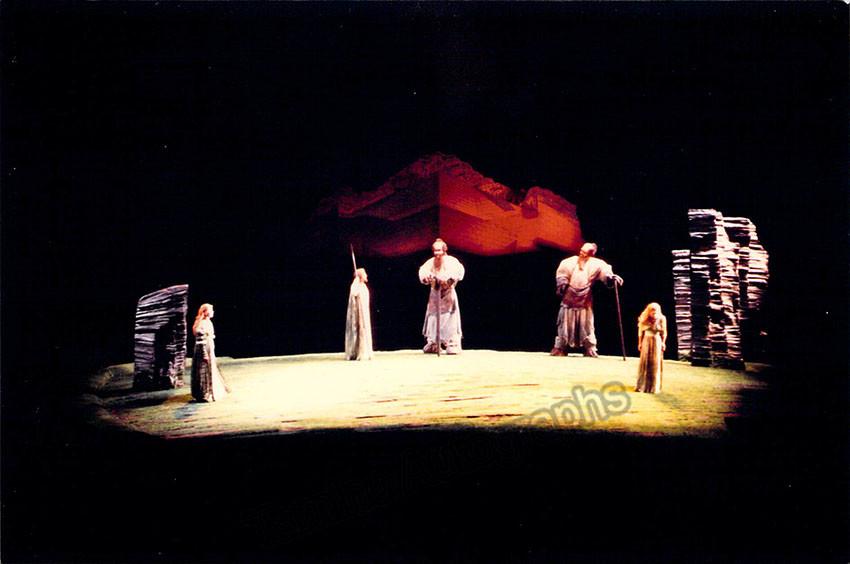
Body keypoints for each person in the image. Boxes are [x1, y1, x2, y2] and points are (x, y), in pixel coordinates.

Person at [550, 242, 623, 357]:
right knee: (564, 323)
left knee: (586, 325)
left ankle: (589, 348)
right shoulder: (569, 262)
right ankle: (561, 347)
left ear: (591, 254)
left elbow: (606, 273)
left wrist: (610, 277)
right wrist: (562, 282)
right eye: (581, 251)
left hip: (585, 298)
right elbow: (562, 273)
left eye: (585, 253)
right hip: (569, 296)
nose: (582, 254)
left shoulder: (597, 264)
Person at [419, 238, 465, 354]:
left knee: (449, 318)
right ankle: (434, 343)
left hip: (448, 294)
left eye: (439, 250)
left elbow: (458, 272)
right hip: (435, 294)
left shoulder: (452, 261)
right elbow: (423, 271)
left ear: (444, 250)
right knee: (433, 318)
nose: (437, 253)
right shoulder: (430, 262)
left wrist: (448, 279)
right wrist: (426, 277)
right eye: (435, 251)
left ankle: (452, 343)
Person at [190, 303, 230, 402]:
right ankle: (203, 393)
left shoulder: (208, 322)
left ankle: (209, 390)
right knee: (203, 369)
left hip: (209, 347)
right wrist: (204, 353)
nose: (213, 312)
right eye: (211, 310)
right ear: (205, 312)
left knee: (209, 368)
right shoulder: (201, 323)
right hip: (203, 349)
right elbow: (200, 340)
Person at [635, 302, 667, 393]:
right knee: (645, 361)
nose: (654, 312)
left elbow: (664, 332)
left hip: (657, 340)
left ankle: (654, 386)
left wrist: (663, 343)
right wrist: (640, 343)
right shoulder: (644, 318)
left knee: (655, 362)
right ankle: (642, 385)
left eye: (656, 310)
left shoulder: (662, 318)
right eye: (652, 310)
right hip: (646, 340)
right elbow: (640, 332)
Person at [345, 268, 373, 360]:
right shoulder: (356, 286)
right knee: (359, 332)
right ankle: (356, 352)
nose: (366, 275)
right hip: (359, 315)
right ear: (360, 276)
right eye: (364, 274)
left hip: (364, 313)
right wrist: (356, 281)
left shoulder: (363, 286)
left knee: (364, 331)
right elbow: (354, 293)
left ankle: (365, 352)